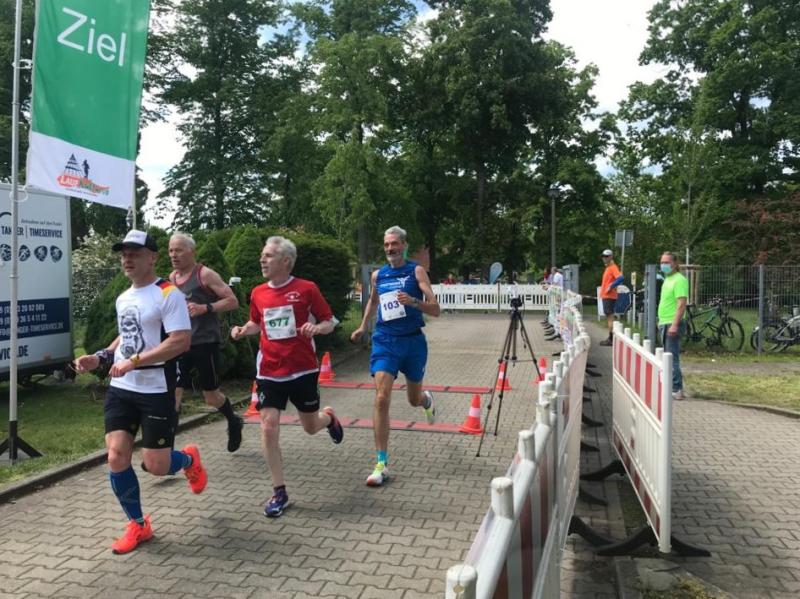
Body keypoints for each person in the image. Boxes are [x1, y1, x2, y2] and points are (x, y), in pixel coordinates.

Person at [74, 230, 208, 555]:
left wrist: (134, 362)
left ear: (153, 257)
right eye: (123, 254)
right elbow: (126, 335)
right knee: (116, 456)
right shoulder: (124, 298)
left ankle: (188, 460)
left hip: (156, 389)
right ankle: (138, 523)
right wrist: (101, 357)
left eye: (134, 253)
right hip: (122, 388)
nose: (127, 259)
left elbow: (180, 341)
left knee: (157, 466)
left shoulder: (168, 295)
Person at [230, 236, 343, 517]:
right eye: (262, 255)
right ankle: (279, 491)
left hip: (302, 369)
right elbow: (256, 322)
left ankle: (329, 418)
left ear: (286, 261)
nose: (262, 259)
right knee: (268, 426)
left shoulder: (306, 288)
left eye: (268, 256)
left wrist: (318, 328)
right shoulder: (258, 292)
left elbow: (330, 321)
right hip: (269, 371)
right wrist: (243, 330)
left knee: (310, 426)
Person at [350, 226, 441, 486]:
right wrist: (363, 326)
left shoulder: (416, 271)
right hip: (385, 340)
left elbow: (436, 309)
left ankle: (425, 400)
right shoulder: (379, 275)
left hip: (413, 342)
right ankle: (381, 463)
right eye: (387, 244)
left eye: (395, 244)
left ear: (404, 245)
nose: (390, 248)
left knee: (413, 399)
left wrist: (414, 302)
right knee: (381, 397)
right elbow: (373, 301)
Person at [168, 233, 243, 452]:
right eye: (171, 250)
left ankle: (233, 420)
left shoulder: (205, 275)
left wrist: (206, 308)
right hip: (180, 343)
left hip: (205, 343)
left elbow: (233, 301)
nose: (173, 255)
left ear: (192, 251)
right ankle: (165, 450)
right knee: (173, 394)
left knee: (210, 397)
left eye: (179, 250)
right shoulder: (172, 278)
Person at [657, 251, 689, 400]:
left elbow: (681, 304)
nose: (664, 265)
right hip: (665, 322)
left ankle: (676, 388)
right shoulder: (667, 279)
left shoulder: (679, 280)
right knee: (667, 356)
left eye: (667, 262)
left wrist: (674, 324)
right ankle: (672, 385)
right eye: (662, 262)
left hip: (671, 323)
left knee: (671, 357)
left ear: (675, 264)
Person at [598, 249, 624, 346]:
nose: (604, 258)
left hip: (609, 296)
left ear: (611, 257)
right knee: (609, 317)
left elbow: (620, 278)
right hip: (607, 296)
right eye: (603, 256)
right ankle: (611, 337)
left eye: (606, 256)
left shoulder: (613, 267)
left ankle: (611, 339)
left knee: (610, 317)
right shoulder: (608, 268)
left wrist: (611, 286)